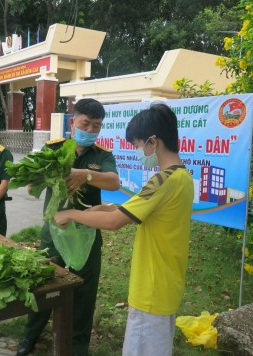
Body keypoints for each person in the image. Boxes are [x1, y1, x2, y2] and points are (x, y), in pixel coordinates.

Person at [54, 103, 194, 356]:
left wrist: (70, 214)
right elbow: (129, 210)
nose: (139, 151)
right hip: (167, 283)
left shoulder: (161, 180)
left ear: (153, 141)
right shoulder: (181, 176)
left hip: (151, 288)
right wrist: (96, 210)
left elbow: (115, 222)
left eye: (138, 145)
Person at [17, 98, 120, 356]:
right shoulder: (53, 150)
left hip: (86, 237)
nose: (91, 130)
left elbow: (113, 182)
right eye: (86, 124)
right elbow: (31, 189)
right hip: (53, 235)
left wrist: (83, 174)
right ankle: (29, 337)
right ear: (72, 122)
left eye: (97, 126)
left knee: (84, 296)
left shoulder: (102, 156)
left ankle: (77, 347)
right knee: (43, 288)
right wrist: (38, 179)